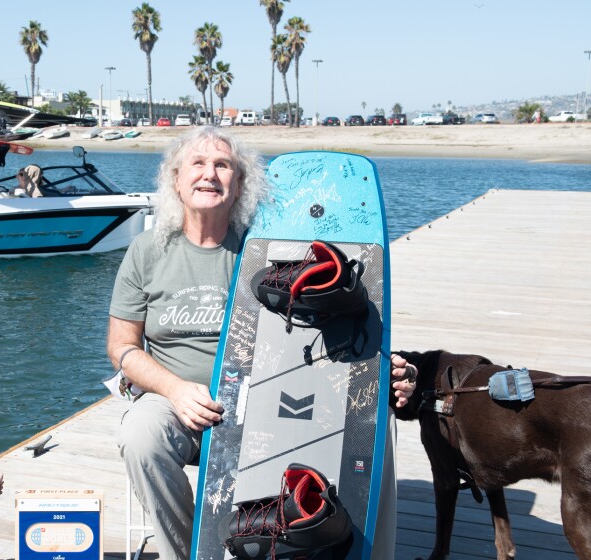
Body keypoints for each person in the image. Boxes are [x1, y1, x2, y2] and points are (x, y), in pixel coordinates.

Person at [106, 126, 415, 560]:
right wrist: (174, 390)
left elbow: (330, 312)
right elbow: (122, 347)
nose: (209, 174)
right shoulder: (147, 250)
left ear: (240, 185)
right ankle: (193, 553)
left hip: (260, 401)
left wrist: (387, 372)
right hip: (176, 401)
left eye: (222, 165)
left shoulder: (268, 250)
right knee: (140, 438)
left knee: (374, 424)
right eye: (197, 163)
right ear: (175, 179)